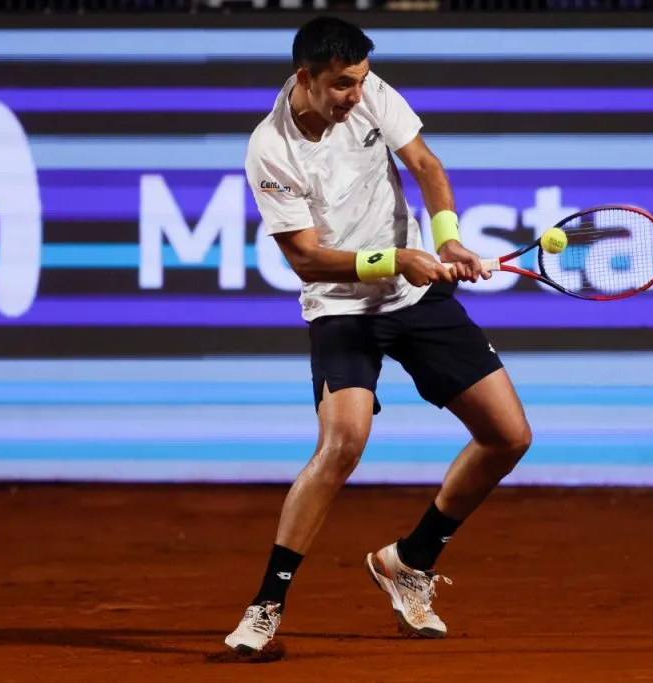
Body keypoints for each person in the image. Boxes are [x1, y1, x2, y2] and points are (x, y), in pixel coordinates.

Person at [224, 16, 533, 656]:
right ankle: (266, 605)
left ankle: (410, 561)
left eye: (360, 81)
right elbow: (306, 259)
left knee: (508, 436)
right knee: (342, 444)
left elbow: (425, 162)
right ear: (305, 78)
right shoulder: (270, 148)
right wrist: (394, 259)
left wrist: (444, 236)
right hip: (341, 308)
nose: (355, 96)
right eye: (341, 85)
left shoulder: (371, 93)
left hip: (416, 298)